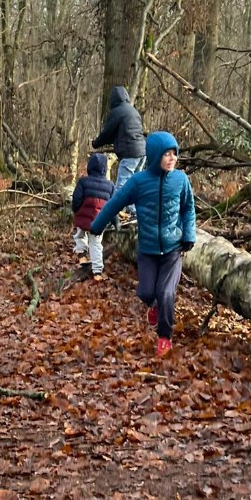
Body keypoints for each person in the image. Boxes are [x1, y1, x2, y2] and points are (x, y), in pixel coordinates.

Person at [89, 131, 196, 356]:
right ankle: (154, 306)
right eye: (166, 154)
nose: (171, 158)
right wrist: (97, 226)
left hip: (172, 248)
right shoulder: (139, 182)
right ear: (155, 155)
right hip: (147, 248)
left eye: (174, 154)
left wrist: (189, 235)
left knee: (166, 293)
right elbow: (115, 202)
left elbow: (188, 209)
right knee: (147, 292)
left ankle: (164, 338)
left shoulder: (180, 180)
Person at [91, 85, 145, 224]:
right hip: (142, 152)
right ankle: (135, 211)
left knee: (122, 184)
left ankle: (117, 215)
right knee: (136, 183)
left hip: (130, 153)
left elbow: (107, 132)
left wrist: (95, 143)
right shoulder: (133, 111)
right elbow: (120, 133)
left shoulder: (117, 112)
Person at [70, 152, 114, 279]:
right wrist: (114, 220)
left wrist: (76, 210)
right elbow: (113, 205)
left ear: (89, 167)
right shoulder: (110, 185)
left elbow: (76, 199)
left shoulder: (83, 181)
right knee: (96, 244)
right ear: (105, 169)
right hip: (98, 221)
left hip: (83, 217)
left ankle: (81, 253)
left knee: (79, 234)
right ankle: (97, 271)